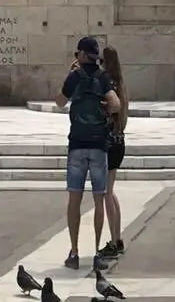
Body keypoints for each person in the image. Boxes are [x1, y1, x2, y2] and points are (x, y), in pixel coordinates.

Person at [58, 35, 121, 270]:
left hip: (77, 144)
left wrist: (70, 75)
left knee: (74, 200)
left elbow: (59, 101)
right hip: (98, 145)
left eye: (78, 53)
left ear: (83, 55)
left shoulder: (74, 76)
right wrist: (104, 110)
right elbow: (116, 104)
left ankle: (74, 252)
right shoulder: (103, 77)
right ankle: (95, 252)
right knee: (98, 200)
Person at [99, 44, 130, 264]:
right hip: (119, 142)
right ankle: (117, 239)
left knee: (106, 193)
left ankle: (113, 241)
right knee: (110, 192)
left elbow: (108, 110)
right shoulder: (120, 84)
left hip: (110, 143)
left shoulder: (108, 85)